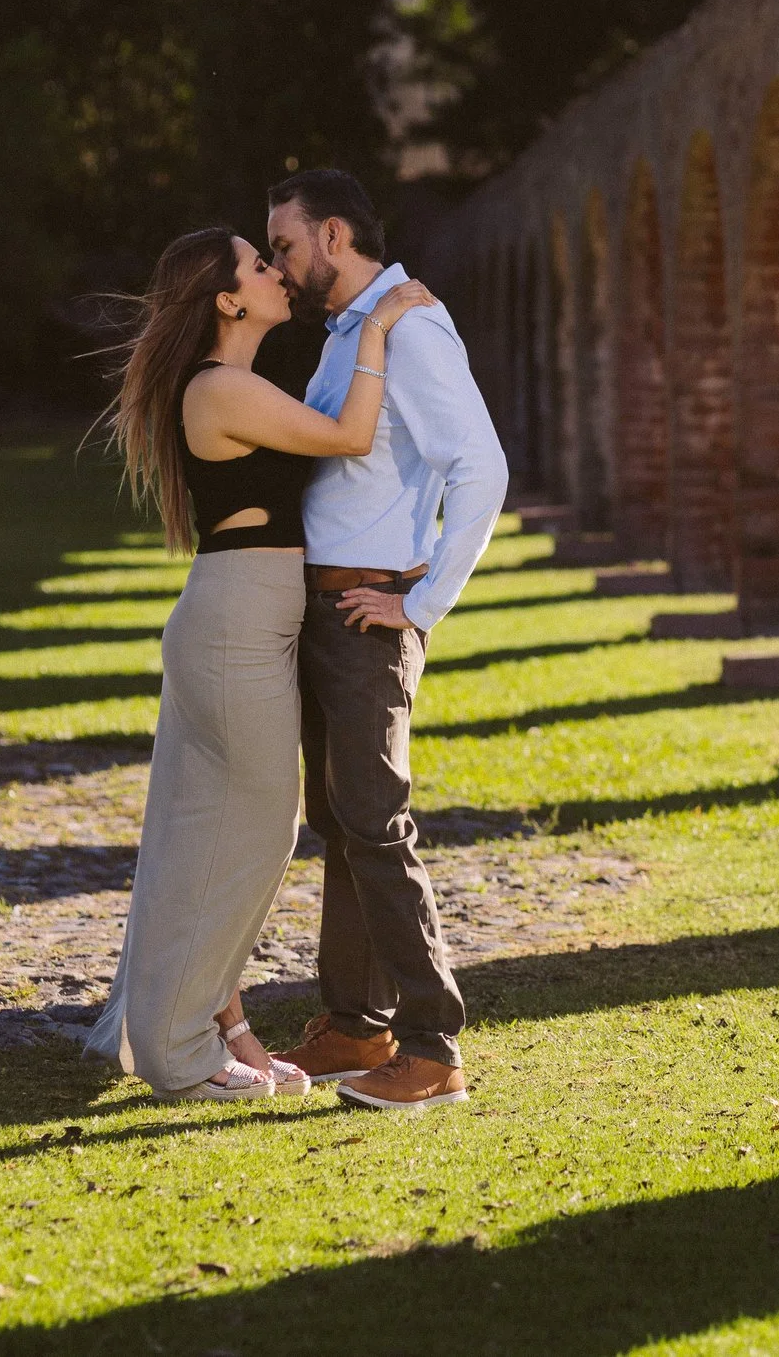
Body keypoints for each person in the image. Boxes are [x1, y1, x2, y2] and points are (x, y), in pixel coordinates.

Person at [87, 225, 437, 1102]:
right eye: (257, 264)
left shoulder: (235, 385)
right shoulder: (219, 389)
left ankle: (216, 1024)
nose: (277, 271)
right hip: (237, 623)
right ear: (228, 301)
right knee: (255, 832)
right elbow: (353, 435)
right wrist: (383, 325)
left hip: (246, 618)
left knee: (207, 832)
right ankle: (179, 1050)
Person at [264, 169, 508, 1112]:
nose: (279, 264)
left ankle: (432, 1044)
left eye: (283, 245)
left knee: (374, 817)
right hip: (324, 613)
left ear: (332, 235)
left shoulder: (411, 328)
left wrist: (423, 604)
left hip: (371, 617)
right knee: (339, 822)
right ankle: (355, 1023)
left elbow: (480, 467)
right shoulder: (350, 335)